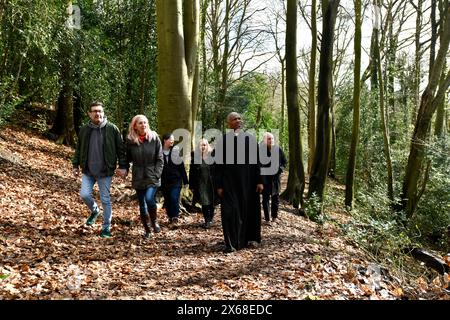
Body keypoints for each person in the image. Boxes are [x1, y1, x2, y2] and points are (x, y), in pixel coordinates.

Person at [72, 101, 127, 238]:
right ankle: (95, 211)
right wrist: (75, 165)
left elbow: (121, 149)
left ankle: (106, 228)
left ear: (103, 113)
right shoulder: (84, 129)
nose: (98, 113)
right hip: (88, 171)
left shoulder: (112, 129)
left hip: (105, 171)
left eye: (100, 111)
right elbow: (79, 149)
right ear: (90, 114)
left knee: (105, 199)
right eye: (95, 111)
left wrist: (123, 166)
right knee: (84, 195)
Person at [214, 112, 264, 252]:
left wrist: (260, 181)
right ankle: (231, 243)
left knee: (249, 210)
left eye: (239, 118)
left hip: (249, 182)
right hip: (229, 183)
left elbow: (258, 162)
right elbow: (217, 165)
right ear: (228, 123)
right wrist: (218, 185)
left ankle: (250, 238)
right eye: (234, 119)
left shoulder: (250, 139)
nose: (238, 121)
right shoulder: (222, 141)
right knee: (230, 212)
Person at [125, 115, 163, 238]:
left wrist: (157, 174)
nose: (144, 125)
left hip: (152, 175)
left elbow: (160, 158)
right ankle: (147, 230)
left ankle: (154, 221)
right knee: (142, 204)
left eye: (145, 122)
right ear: (135, 125)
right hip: (138, 176)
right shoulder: (130, 140)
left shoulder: (154, 138)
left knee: (149, 199)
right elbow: (126, 158)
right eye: (140, 123)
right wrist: (124, 168)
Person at [161, 133, 188, 227]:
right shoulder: (159, 152)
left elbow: (181, 167)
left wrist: (186, 181)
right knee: (167, 200)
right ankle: (170, 217)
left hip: (176, 180)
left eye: (173, 140)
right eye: (170, 139)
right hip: (164, 181)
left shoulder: (176, 151)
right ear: (165, 140)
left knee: (174, 197)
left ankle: (175, 217)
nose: (172, 141)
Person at [260, 132, 287, 224]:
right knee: (265, 199)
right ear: (264, 140)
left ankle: (274, 217)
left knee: (276, 199)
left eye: (272, 139)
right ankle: (267, 219)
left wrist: (280, 169)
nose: (271, 140)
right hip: (265, 179)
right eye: (268, 139)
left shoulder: (278, 149)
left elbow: (284, 162)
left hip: (276, 179)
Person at [189, 138, 216, 229]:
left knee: (211, 202)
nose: (203, 147)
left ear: (207, 146)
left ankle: (211, 218)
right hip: (201, 183)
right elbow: (192, 172)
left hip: (211, 183)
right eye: (201, 145)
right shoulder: (195, 157)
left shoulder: (213, 156)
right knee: (204, 202)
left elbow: (218, 170)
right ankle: (207, 220)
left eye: (205, 145)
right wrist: (191, 185)